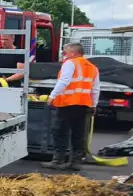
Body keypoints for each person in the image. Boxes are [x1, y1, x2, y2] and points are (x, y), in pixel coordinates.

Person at [43, 42, 100, 170]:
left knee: (59, 131)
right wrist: (94, 105)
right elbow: (95, 89)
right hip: (83, 104)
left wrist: (52, 96)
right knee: (78, 133)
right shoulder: (92, 67)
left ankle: (58, 160)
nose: (64, 55)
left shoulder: (70, 63)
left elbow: (64, 81)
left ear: (73, 53)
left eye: (65, 52)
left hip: (67, 103)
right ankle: (75, 162)